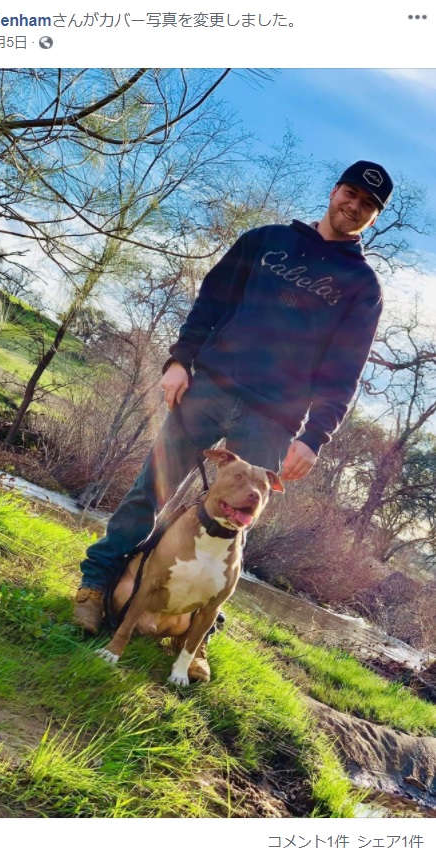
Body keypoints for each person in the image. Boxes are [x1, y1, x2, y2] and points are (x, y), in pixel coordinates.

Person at [72, 160, 393, 680]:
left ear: (372, 217)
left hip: (274, 418)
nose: (353, 206)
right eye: (350, 193)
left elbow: (344, 371)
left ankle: (198, 637)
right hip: (211, 388)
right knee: (146, 494)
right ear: (334, 191)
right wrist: (179, 361)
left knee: (236, 527)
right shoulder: (265, 241)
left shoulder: (362, 286)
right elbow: (210, 302)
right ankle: (95, 587)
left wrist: (315, 436)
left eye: (367, 205)